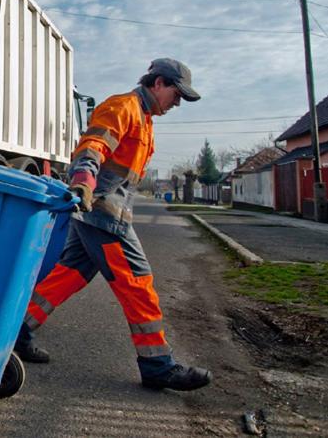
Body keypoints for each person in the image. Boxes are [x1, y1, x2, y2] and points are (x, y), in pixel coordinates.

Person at [14, 58, 212, 392]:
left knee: (68, 276)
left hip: (99, 213)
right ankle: (157, 365)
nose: (177, 103)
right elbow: (93, 147)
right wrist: (83, 181)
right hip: (104, 214)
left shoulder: (145, 120)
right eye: (176, 95)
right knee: (139, 284)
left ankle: (17, 330)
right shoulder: (123, 107)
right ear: (159, 83)